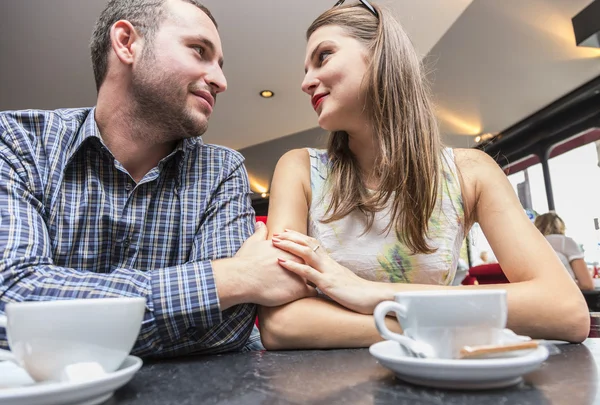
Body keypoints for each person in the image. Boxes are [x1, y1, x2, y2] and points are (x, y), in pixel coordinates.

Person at [258, 0, 589, 349]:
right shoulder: (299, 169)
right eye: (305, 68)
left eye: (323, 56)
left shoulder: (472, 172)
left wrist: (368, 293)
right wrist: (430, 326)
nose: (306, 82)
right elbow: (281, 324)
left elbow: (566, 311)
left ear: (381, 55)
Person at [0, 0, 316, 357]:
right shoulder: (17, 141)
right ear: (126, 42)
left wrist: (53, 328)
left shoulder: (221, 170)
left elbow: (228, 329)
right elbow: (10, 297)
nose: (221, 81)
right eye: (199, 51)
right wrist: (233, 279)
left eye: (220, 64)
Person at [534, 212, 594, 291]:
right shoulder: (565, 242)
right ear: (560, 225)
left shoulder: (532, 245)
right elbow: (587, 285)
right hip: (566, 297)